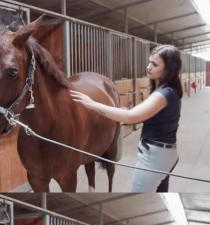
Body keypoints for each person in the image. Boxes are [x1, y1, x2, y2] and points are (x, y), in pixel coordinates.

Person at [70, 45, 183, 192]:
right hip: (165, 154)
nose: (148, 67)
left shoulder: (163, 94)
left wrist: (92, 104)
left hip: (154, 158)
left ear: (168, 69)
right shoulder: (168, 91)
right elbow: (148, 116)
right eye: (149, 62)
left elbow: (131, 117)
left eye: (154, 64)